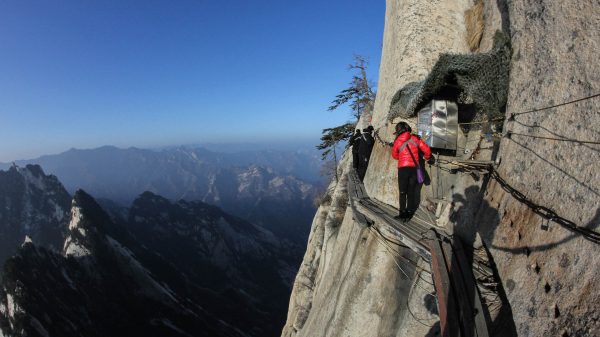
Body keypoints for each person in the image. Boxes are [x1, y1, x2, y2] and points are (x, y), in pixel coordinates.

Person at [391, 122, 432, 220]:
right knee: (411, 192)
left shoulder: (397, 141)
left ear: (398, 130)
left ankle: (402, 214)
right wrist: (426, 157)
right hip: (414, 169)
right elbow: (427, 150)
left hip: (403, 169)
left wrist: (402, 158)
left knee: (402, 192)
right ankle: (409, 214)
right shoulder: (415, 138)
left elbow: (394, 155)